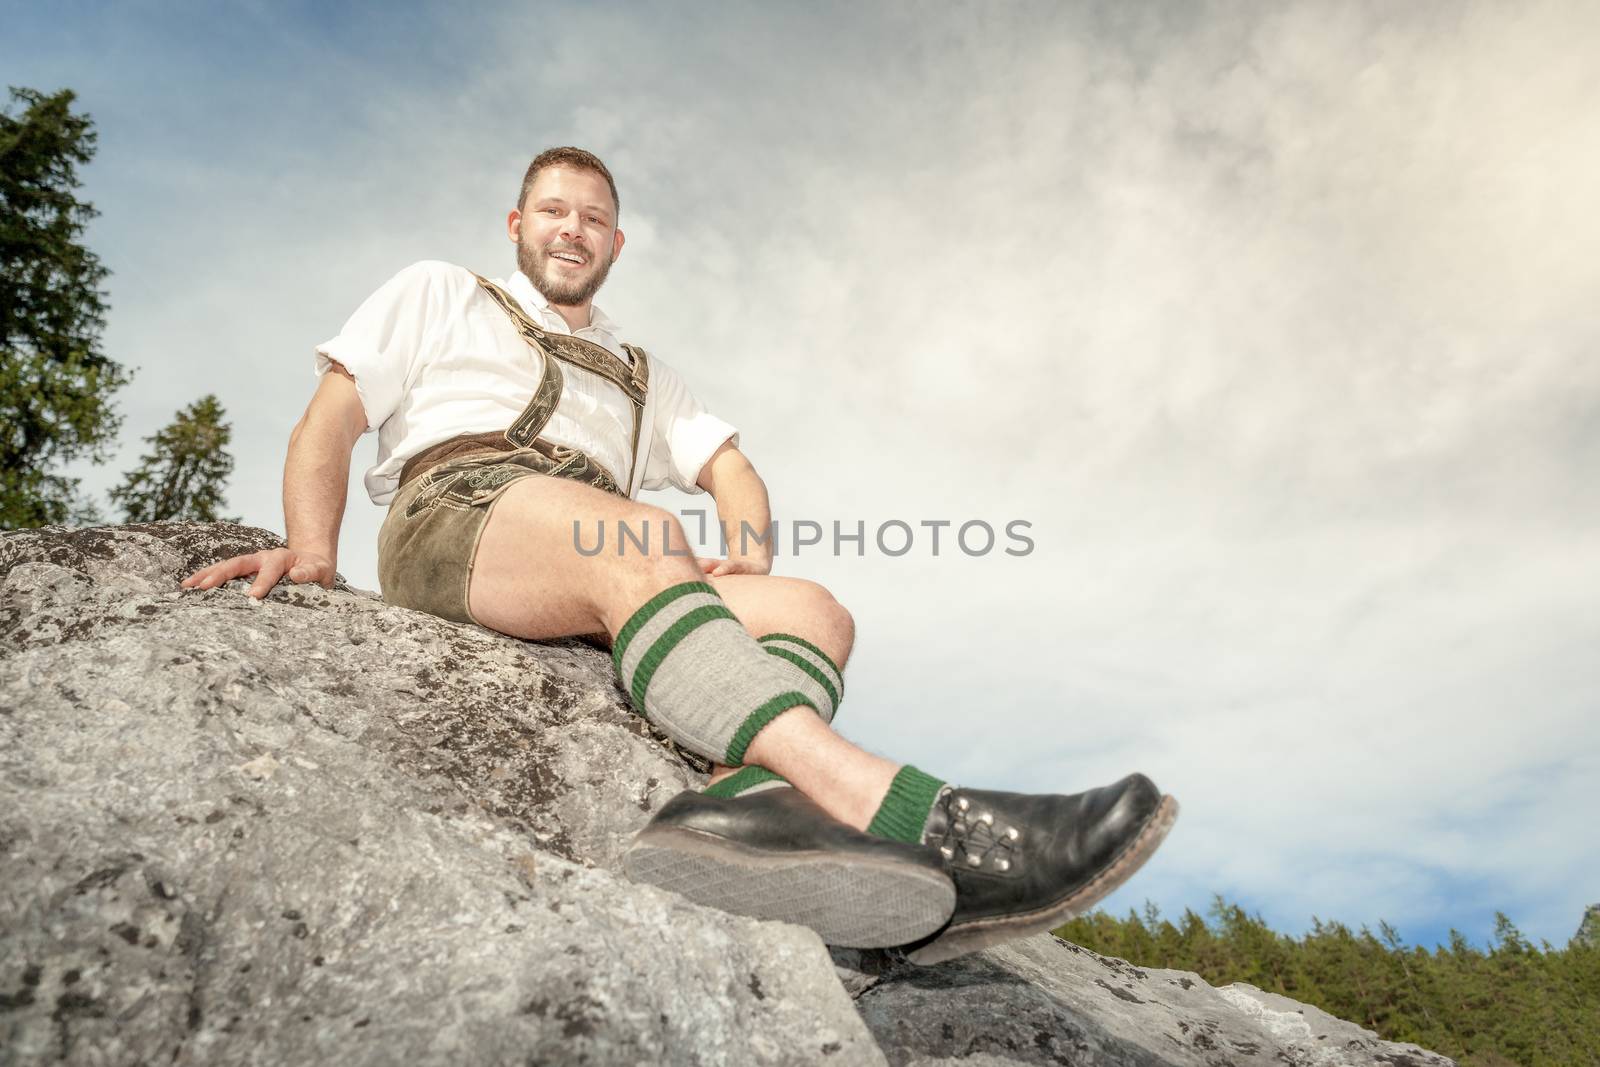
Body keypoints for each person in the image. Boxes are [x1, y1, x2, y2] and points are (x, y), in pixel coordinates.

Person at [182, 147, 1178, 963]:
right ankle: (908, 811)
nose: (571, 229)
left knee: (812, 609)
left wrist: (742, 556)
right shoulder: (440, 291)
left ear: (615, 242)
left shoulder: (644, 371)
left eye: (592, 218)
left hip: (586, 552)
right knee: (640, 530)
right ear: (516, 224)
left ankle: (743, 810)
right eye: (552, 210)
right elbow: (330, 421)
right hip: (458, 510)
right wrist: (311, 550)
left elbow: (729, 465)